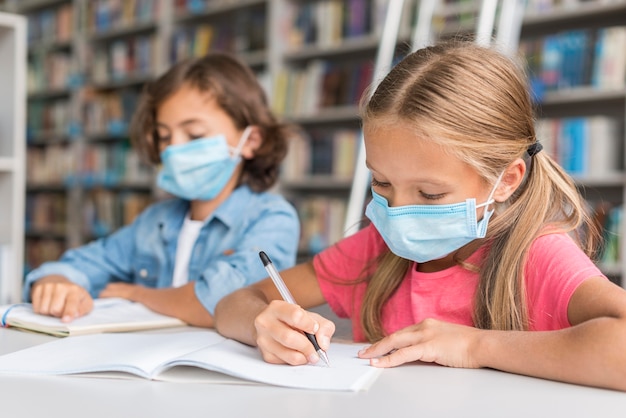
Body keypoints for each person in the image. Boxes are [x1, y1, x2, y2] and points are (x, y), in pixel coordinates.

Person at [214, 41, 626, 391]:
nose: (398, 211)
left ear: (505, 180)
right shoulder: (375, 250)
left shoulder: (536, 255)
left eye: (429, 193)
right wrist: (262, 324)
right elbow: (235, 303)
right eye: (382, 183)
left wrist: (474, 346)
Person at [24, 53, 300, 327]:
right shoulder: (155, 220)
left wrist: (137, 294)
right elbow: (85, 263)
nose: (174, 149)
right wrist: (55, 283)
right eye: (165, 137)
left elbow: (219, 301)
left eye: (194, 135)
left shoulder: (272, 218)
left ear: (250, 140)